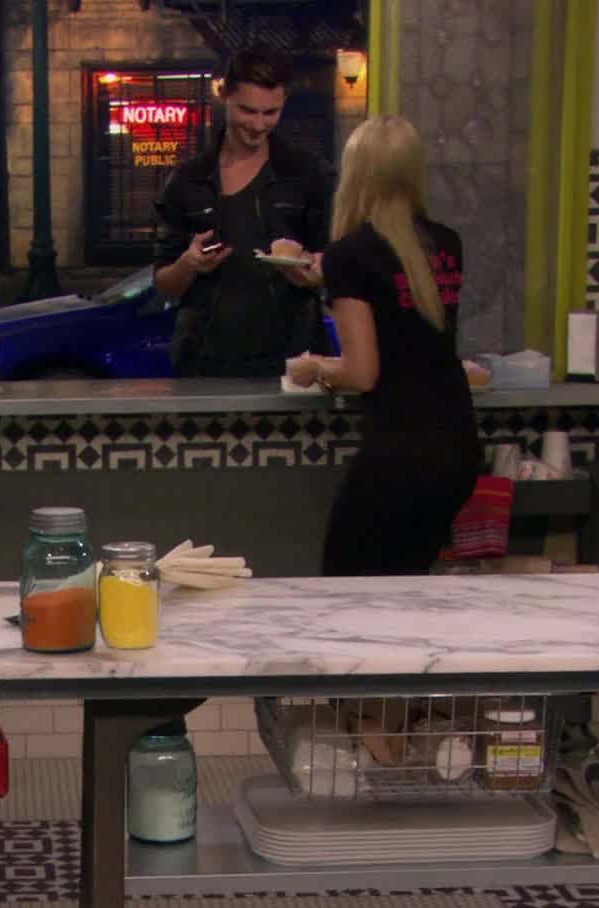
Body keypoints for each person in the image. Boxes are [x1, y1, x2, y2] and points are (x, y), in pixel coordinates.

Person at [287, 116, 480, 576]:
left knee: (345, 583)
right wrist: (333, 281)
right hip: (458, 446)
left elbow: (361, 373)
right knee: (406, 587)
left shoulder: (350, 255)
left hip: (400, 449)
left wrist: (314, 367)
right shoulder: (447, 243)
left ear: (356, 175)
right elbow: (407, 318)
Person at [152, 44, 330, 378]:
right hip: (205, 364)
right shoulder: (188, 180)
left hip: (293, 362)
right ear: (224, 96)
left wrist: (319, 274)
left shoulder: (307, 173)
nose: (259, 124)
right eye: (248, 111)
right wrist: (188, 265)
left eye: (271, 113)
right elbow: (165, 284)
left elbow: (336, 264)